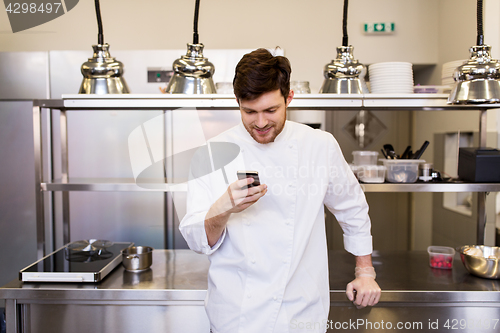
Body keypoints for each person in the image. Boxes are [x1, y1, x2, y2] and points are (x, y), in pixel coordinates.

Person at [179, 48, 381, 333]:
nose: (260, 123)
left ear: (289, 98)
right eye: (249, 112)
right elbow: (197, 240)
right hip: (237, 316)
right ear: (237, 103)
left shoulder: (319, 146)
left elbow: (352, 208)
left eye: (270, 110)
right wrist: (225, 206)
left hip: (301, 311)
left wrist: (365, 271)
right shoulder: (211, 154)